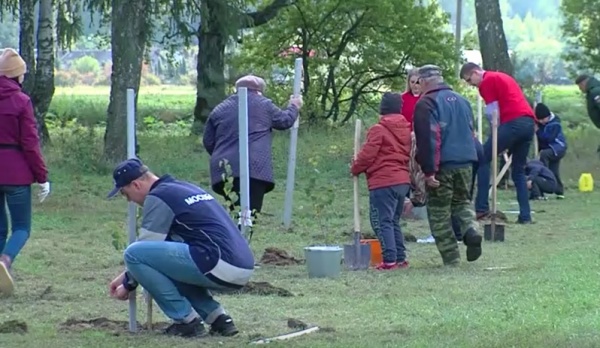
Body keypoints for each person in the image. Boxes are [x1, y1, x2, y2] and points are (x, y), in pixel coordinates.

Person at [106, 158, 254, 338]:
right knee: (169, 260)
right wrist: (125, 276)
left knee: (133, 252)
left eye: (124, 193)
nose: (128, 200)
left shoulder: (159, 197)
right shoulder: (185, 188)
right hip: (242, 265)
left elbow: (144, 250)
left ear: (136, 185)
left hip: (217, 263)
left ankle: (186, 321)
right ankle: (219, 320)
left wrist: (127, 284)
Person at [203, 75, 303, 227]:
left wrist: (224, 156)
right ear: (259, 91)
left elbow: (208, 141)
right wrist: (294, 106)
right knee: (249, 215)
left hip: (224, 169)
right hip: (255, 167)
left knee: (236, 211)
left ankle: (237, 239)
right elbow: (284, 121)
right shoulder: (264, 104)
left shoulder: (220, 108)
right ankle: (241, 244)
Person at [413, 64, 483, 266]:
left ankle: (451, 257)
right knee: (462, 202)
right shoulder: (463, 101)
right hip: (467, 160)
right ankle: (471, 230)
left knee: (439, 211)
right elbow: (471, 133)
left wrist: (428, 171)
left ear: (423, 81)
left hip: (442, 164)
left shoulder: (426, 104)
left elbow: (428, 139)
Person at [0, 48, 51, 296]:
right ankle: (5, 261)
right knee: (21, 227)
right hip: (16, 174)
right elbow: (30, 143)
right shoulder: (22, 101)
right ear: (16, 75)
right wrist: (42, 177)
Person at [460, 62, 536, 224]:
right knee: (518, 171)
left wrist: (498, 136)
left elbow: (492, 112)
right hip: (528, 123)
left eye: (469, 80)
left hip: (513, 123)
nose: (471, 84)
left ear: (475, 72)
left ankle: (481, 208)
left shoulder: (486, 82)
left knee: (482, 158)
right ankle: (525, 215)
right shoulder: (502, 76)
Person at [351, 92, 412, 270]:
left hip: (384, 181)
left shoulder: (378, 129)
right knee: (393, 221)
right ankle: (400, 259)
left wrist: (355, 167)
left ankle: (389, 261)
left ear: (382, 110)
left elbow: (368, 154)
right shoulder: (405, 129)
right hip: (402, 181)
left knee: (382, 221)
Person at [534, 102, 566, 199]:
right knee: (554, 170)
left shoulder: (555, 124)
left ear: (548, 116)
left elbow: (549, 138)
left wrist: (537, 131)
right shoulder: (543, 123)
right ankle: (559, 191)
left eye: (543, 119)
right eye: (539, 120)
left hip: (557, 148)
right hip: (551, 148)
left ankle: (545, 179)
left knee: (544, 156)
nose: (541, 121)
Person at [574, 74, 600, 153]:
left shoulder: (596, 91)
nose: (580, 89)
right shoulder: (593, 90)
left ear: (583, 83)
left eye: (580, 87)